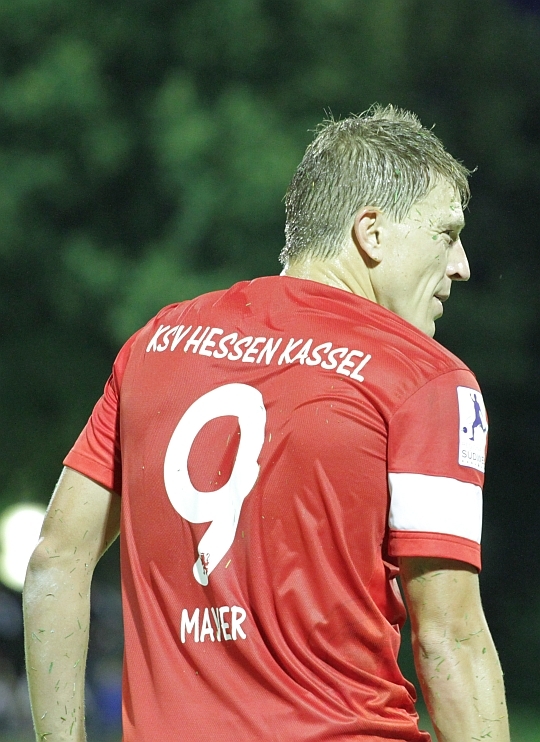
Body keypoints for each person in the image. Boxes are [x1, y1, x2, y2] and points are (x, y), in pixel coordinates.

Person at [23, 105, 509, 742]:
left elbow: (55, 561)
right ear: (372, 233)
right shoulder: (426, 380)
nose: (462, 265)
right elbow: (451, 640)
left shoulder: (156, 344)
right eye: (446, 234)